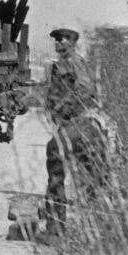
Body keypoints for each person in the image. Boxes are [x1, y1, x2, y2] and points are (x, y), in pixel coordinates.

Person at [40, 27, 106, 242]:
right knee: (92, 178)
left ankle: (55, 231)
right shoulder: (61, 64)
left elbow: (85, 89)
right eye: (57, 40)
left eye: (63, 39)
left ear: (72, 43)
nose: (58, 43)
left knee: (55, 159)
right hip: (77, 123)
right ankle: (99, 233)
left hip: (80, 121)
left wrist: (62, 107)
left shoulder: (74, 61)